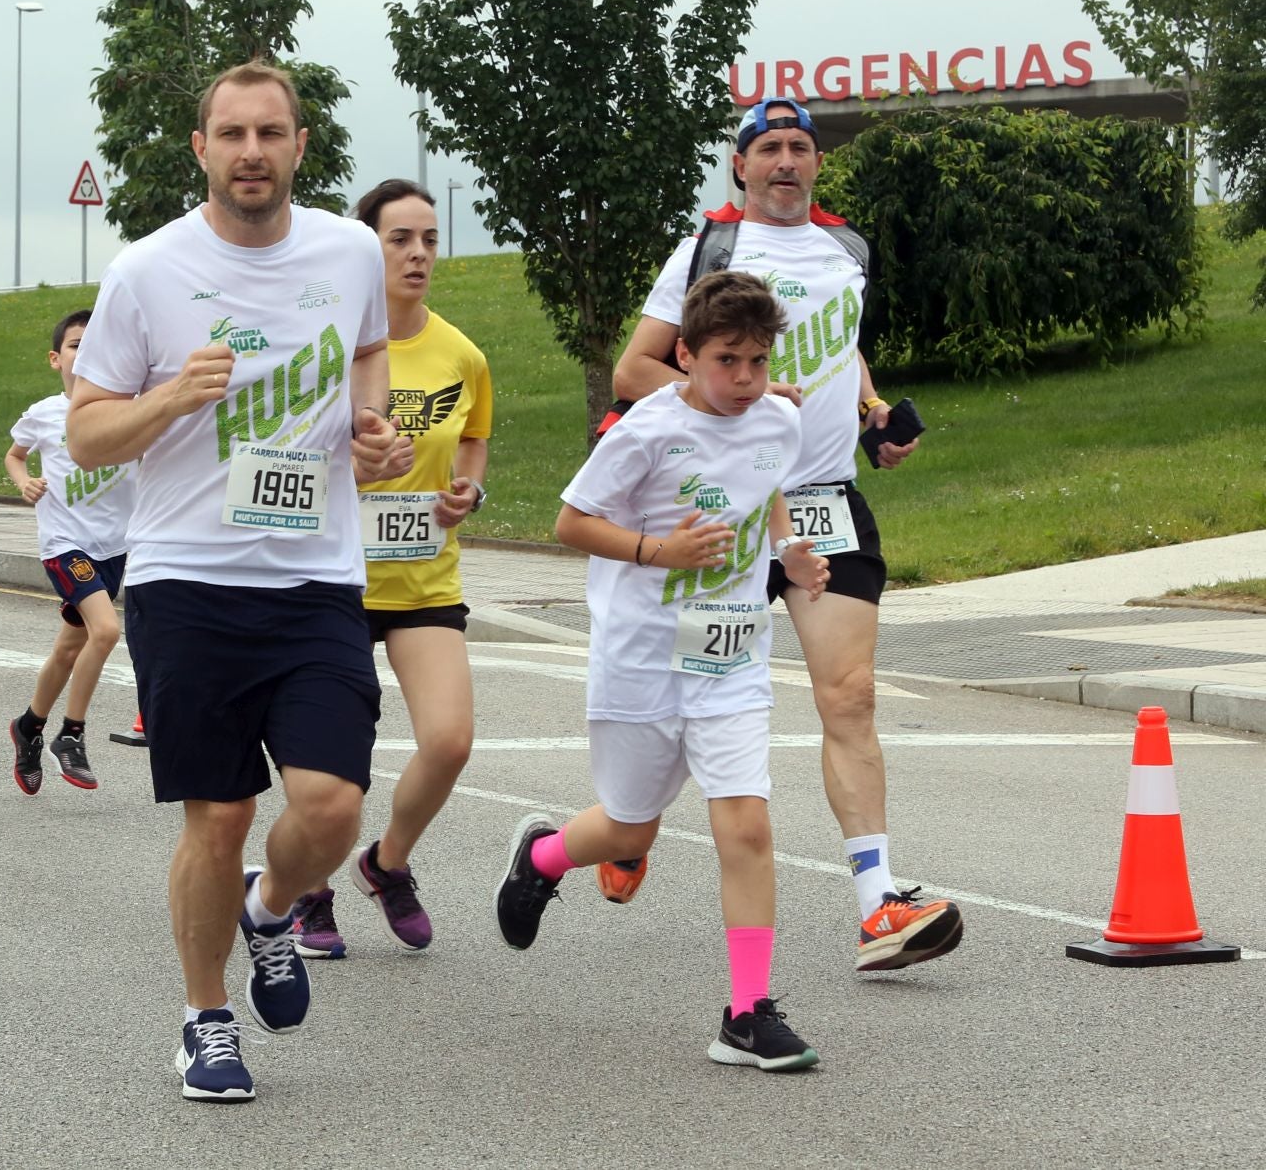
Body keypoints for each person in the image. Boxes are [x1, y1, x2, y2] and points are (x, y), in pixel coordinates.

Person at [66, 61, 413, 1103]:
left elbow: (367, 356)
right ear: (201, 149)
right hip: (187, 579)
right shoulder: (147, 270)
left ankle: (272, 910)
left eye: (272, 133)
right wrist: (172, 397)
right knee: (215, 818)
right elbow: (86, 435)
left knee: (335, 804)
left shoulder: (351, 253)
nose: (252, 152)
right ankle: (205, 1020)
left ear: (301, 146)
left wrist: (376, 432)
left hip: (312, 577)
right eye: (233, 135)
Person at [610, 96, 962, 973]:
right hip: (721, 509)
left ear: (817, 162)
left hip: (822, 501)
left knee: (850, 694)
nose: (786, 161)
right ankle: (624, 823)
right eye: (768, 147)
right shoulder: (712, 250)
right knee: (680, 713)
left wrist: (876, 413)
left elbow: (841, 349)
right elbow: (637, 367)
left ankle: (878, 901)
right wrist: (751, 402)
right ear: (740, 165)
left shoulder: (847, 250)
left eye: (800, 146)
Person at [497, 270, 830, 1072]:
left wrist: (789, 552)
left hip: (730, 657)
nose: (745, 379)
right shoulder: (645, 432)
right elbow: (570, 521)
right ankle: (541, 856)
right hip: (641, 658)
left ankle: (747, 1013)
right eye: (727, 360)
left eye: (757, 360)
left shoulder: (778, 419)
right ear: (683, 354)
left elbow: (767, 484)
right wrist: (659, 551)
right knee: (628, 826)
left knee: (744, 823)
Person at [289, 179, 491, 959]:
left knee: (450, 741)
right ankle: (310, 889)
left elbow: (472, 437)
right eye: (399, 238)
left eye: (429, 240)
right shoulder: (329, 344)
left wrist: (469, 487)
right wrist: (358, 464)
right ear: (363, 245)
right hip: (333, 579)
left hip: (424, 581)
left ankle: (386, 863)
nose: (417, 254)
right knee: (333, 763)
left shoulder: (461, 353)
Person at [5, 308, 134, 795]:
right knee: (105, 630)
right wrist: (24, 482)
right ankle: (70, 735)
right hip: (65, 543)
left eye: (97, 343)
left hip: (114, 547)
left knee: (68, 648)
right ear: (56, 359)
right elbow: (14, 455)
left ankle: (28, 726)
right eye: (78, 344)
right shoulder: (44, 414)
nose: (88, 352)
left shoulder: (128, 406)